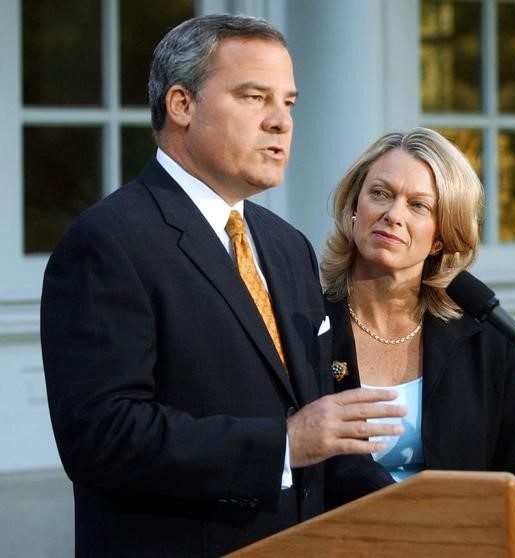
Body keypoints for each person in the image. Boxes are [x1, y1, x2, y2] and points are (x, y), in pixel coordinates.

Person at [40, 14, 406, 557]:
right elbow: (102, 437)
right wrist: (284, 444)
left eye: (289, 102)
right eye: (255, 97)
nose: (281, 122)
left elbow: (327, 429)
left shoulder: (287, 246)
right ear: (182, 105)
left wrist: (426, 513)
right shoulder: (109, 240)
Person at [320, 127, 515, 483]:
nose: (394, 214)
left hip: (459, 535)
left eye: (418, 205)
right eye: (380, 193)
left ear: (440, 238)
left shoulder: (485, 341)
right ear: (354, 209)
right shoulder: (305, 325)